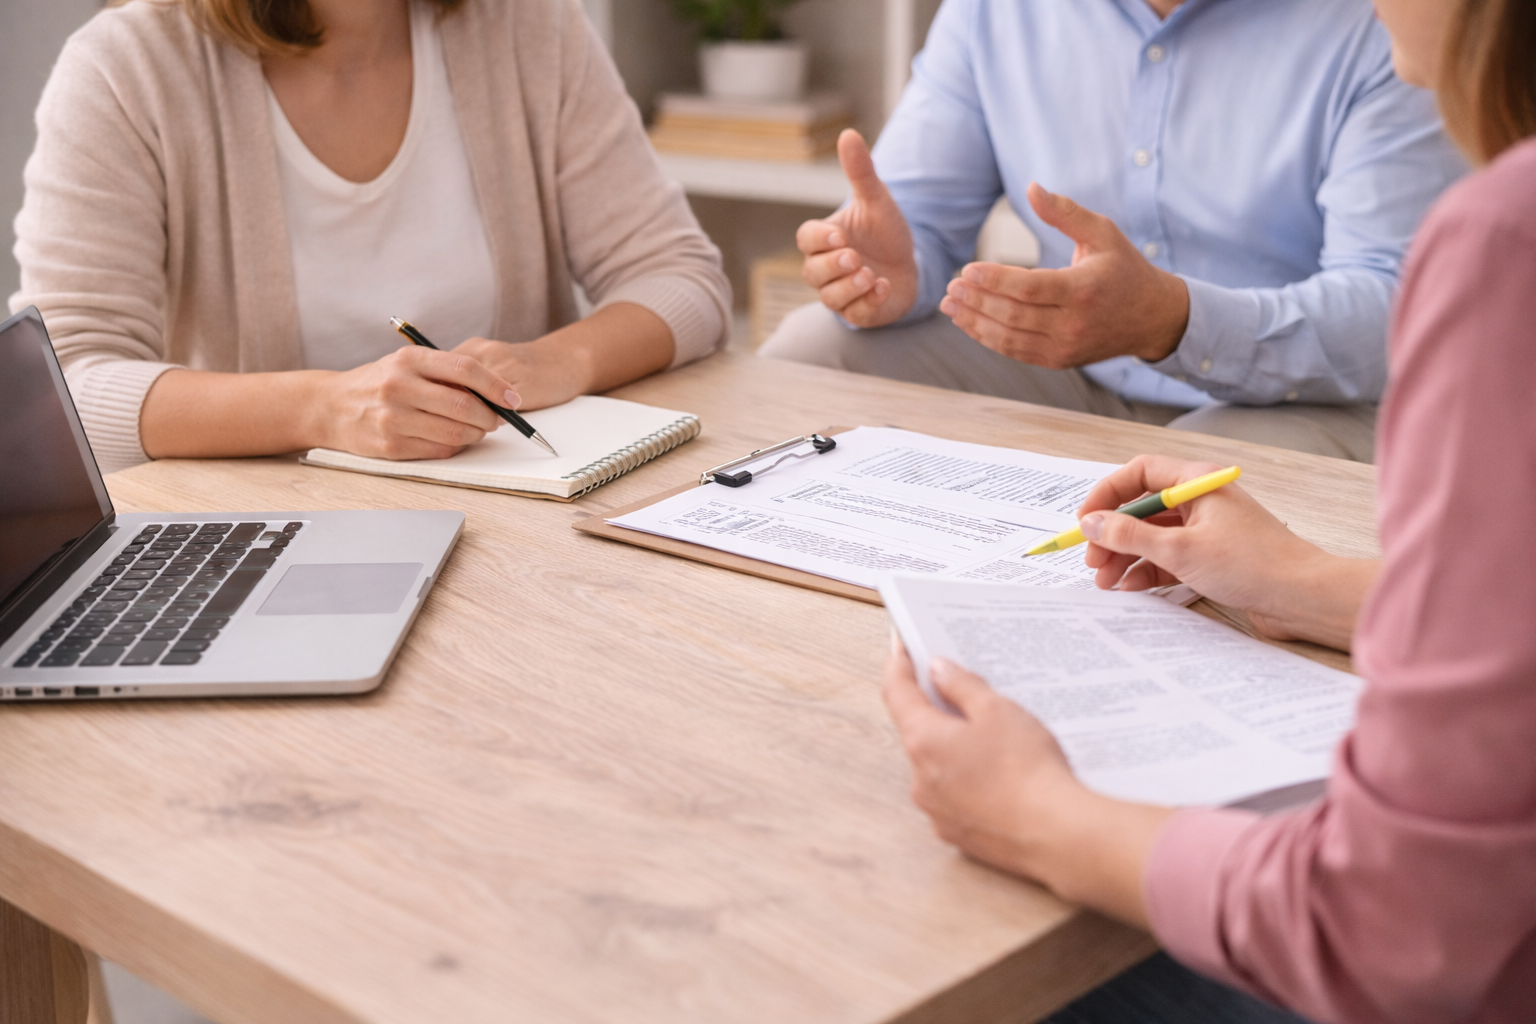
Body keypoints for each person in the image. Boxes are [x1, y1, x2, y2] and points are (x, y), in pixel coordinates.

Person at [881, 0, 1536, 1018]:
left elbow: (1391, 930)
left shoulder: (1505, 240)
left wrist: (1038, 813)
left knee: (959, 951)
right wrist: (1313, 586)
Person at [10, 0, 730, 474]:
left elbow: (682, 277)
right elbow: (65, 388)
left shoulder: (527, 25)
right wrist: (322, 408)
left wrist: (555, 361)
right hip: (260, 541)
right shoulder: (126, 66)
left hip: (523, 532)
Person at [759, 0, 1467, 463]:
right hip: (1066, 371)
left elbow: (1395, 308)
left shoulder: (1388, 20)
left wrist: (1175, 322)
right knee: (808, 354)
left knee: (1159, 508)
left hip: (1308, 399)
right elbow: (919, 215)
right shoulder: (990, 12)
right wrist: (895, 268)